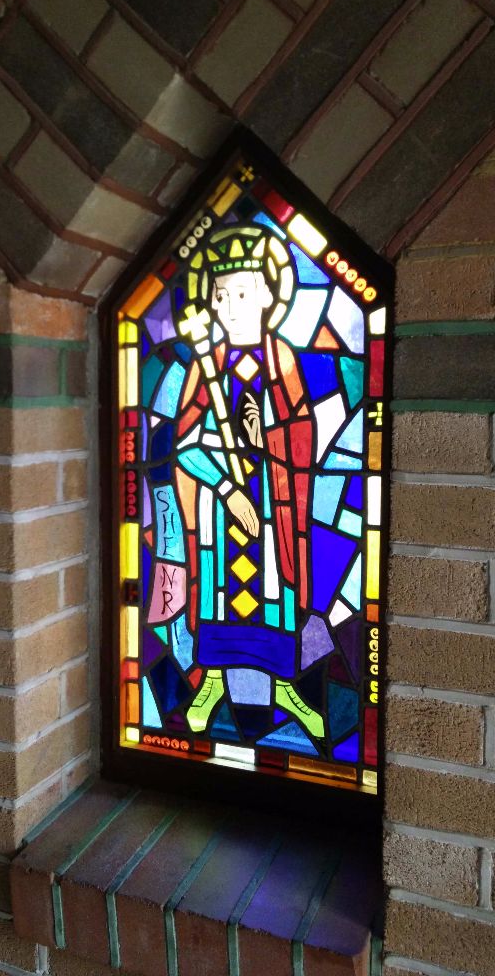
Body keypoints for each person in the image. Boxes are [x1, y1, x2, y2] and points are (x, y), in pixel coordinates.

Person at [171, 229, 325, 741]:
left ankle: (283, 686)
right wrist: (227, 488)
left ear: (265, 296)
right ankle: (212, 681)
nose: (227, 306)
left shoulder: (281, 360)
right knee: (220, 592)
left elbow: (303, 434)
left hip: (273, 504)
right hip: (219, 510)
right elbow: (185, 444)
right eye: (220, 295)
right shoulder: (207, 364)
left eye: (240, 293)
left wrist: (267, 438)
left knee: (273, 592)